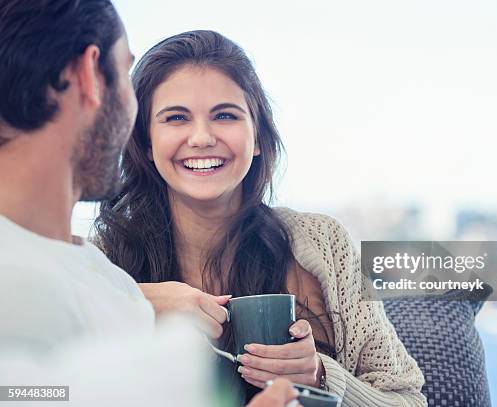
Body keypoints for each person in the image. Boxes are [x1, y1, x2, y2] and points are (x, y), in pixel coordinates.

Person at [94, 30, 426, 406]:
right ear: (147, 144)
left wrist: (321, 376)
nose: (201, 137)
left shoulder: (323, 243)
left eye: (224, 115)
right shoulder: (99, 261)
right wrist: (129, 304)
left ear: (258, 140)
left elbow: (408, 400)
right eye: (176, 118)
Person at [0, 1, 296, 406]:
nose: (201, 137)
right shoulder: (31, 282)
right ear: (90, 76)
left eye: (225, 115)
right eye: (124, 73)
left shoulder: (101, 280)